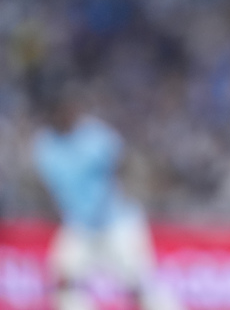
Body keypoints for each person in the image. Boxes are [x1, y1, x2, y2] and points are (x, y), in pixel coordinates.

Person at [31, 85, 179, 310]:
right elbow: (50, 186)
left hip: (116, 222)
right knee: (62, 281)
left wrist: (127, 193)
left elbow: (124, 165)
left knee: (139, 286)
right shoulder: (45, 146)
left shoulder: (96, 136)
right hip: (80, 225)